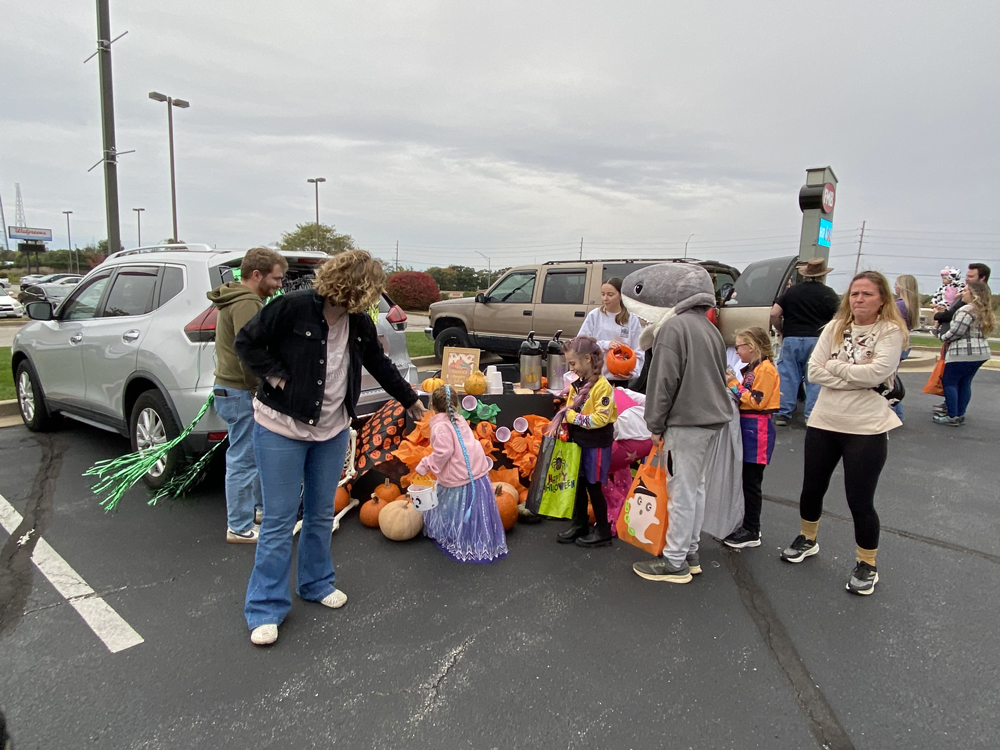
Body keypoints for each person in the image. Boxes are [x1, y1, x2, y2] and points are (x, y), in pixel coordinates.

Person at [235, 250, 425, 646]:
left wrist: (410, 400)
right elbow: (247, 342)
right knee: (279, 521)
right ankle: (265, 607)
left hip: (332, 430)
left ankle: (316, 583)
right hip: (281, 428)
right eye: (371, 291)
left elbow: (379, 364)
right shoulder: (293, 307)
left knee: (321, 513)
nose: (372, 299)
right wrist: (277, 378)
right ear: (355, 287)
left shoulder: (359, 322)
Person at [780, 271, 906, 596]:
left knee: (859, 499)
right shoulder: (834, 328)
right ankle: (807, 538)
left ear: (882, 299)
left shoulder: (890, 332)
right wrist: (855, 376)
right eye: (854, 293)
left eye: (867, 294)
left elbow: (877, 373)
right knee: (811, 489)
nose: (859, 299)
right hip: (825, 421)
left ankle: (867, 563)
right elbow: (813, 371)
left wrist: (836, 367)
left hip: (866, 427)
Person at [621, 263, 732, 584]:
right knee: (695, 488)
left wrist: (654, 425)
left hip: (686, 421)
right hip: (712, 419)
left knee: (681, 491)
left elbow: (663, 382)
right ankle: (689, 552)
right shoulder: (709, 328)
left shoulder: (673, 329)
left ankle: (674, 562)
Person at [207, 247, 288, 543]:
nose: (279, 284)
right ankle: (239, 527)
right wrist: (262, 388)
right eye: (276, 278)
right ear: (257, 275)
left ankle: (257, 511)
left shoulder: (236, 297)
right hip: (241, 391)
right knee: (243, 459)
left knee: (253, 455)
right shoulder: (247, 303)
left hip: (232, 390)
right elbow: (251, 352)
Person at [415, 386, 508, 562]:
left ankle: (457, 537)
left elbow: (444, 452)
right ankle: (473, 538)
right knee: (472, 509)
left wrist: (425, 465)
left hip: (458, 474)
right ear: (456, 404)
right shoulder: (459, 419)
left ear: (432, 405)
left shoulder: (440, 427)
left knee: (452, 507)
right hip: (474, 469)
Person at [554, 336, 619, 548]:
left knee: (594, 486)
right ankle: (580, 523)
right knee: (579, 484)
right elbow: (571, 407)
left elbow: (600, 418)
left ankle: (603, 530)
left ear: (588, 359)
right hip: (579, 441)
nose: (571, 368)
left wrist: (573, 418)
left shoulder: (602, 387)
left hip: (596, 443)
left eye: (573, 363)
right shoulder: (578, 384)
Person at [722, 327, 780, 549]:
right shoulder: (754, 369)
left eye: (739, 347)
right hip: (750, 428)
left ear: (752, 346)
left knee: (751, 482)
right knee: (746, 480)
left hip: (758, 430)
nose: (736, 352)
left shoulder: (765, 370)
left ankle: (752, 529)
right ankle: (747, 523)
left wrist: (733, 384)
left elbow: (757, 401)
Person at [770, 257, 840, 426]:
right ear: (823, 275)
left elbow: (774, 313)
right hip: (818, 339)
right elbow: (840, 316)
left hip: (792, 337)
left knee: (788, 376)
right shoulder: (828, 293)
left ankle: (783, 413)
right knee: (814, 377)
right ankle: (812, 415)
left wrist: (781, 330)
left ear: (806, 274)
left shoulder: (791, 292)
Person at [933, 281, 995, 427]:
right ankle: (960, 413)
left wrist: (942, 337)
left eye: (965, 290)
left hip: (962, 353)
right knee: (965, 383)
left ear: (973, 294)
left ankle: (952, 416)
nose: (961, 293)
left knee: (949, 382)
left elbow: (956, 332)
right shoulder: (983, 311)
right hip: (981, 352)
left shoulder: (966, 310)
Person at [577, 277, 644, 386]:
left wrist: (633, 372)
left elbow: (638, 350)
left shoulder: (631, 319)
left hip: (619, 378)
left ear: (620, 296)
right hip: (596, 377)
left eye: (610, 295)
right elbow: (581, 344)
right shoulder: (595, 315)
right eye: (603, 294)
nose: (605, 298)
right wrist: (606, 344)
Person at [891, 274, 920, 421]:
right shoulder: (911, 305)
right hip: (905, 342)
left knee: (888, 381)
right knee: (891, 378)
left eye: (896, 284)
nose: (894, 287)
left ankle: (894, 414)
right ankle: (897, 414)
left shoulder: (899, 305)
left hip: (896, 343)